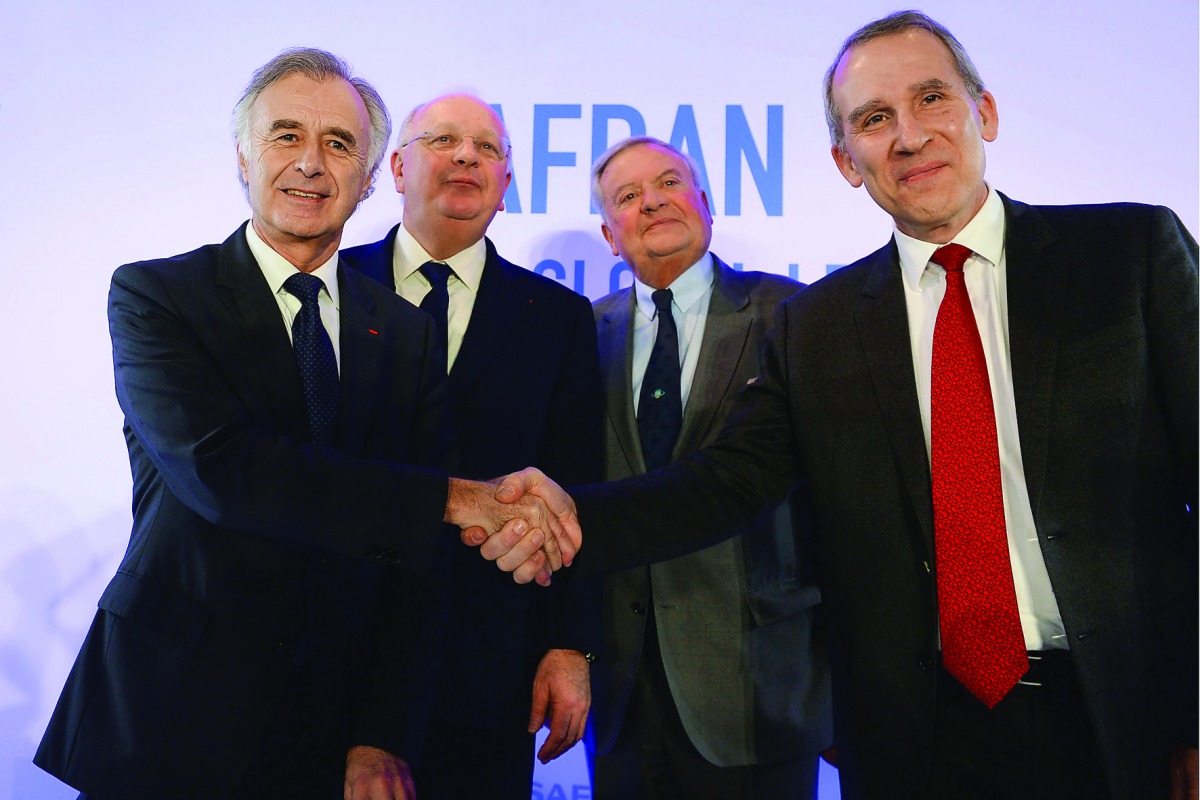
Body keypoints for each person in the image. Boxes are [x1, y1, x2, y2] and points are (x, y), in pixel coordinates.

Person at [475, 12, 1199, 800]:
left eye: (932, 98)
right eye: (875, 119)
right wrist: (567, 517)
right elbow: (725, 483)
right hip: (914, 737)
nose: (910, 137)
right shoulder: (818, 324)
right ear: (847, 161)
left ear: (985, 112)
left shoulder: (1128, 256)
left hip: (1123, 716)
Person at [33, 49, 573, 800]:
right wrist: (452, 498)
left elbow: (416, 567)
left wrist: (381, 732)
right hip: (170, 714)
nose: (311, 163)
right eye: (286, 135)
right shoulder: (159, 295)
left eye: (339, 143)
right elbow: (228, 474)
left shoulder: (405, 331)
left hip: (330, 731)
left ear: (369, 176)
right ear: (243, 157)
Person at [341, 93, 603, 799]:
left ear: (506, 183)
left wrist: (568, 645)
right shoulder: (327, 287)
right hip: (334, 655)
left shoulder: (557, 317)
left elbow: (578, 486)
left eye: (487, 148)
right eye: (443, 140)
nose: (466, 156)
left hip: (490, 665)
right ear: (398, 168)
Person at [585, 136, 831, 799]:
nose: (653, 202)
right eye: (628, 196)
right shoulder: (581, 333)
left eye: (669, 183)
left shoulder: (793, 314)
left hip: (761, 685)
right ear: (609, 236)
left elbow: (839, 500)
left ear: (706, 205)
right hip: (621, 691)